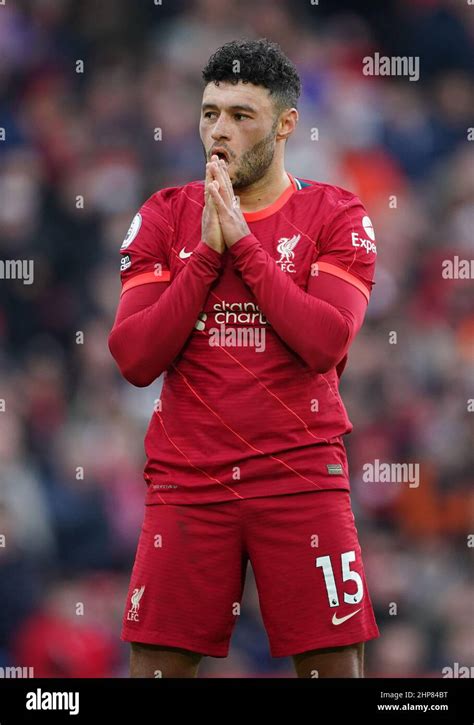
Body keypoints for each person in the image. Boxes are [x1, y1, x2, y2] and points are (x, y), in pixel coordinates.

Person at [108, 38, 380, 678]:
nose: (218, 132)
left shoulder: (336, 213)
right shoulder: (164, 215)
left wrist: (245, 251)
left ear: (286, 124)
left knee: (334, 666)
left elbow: (326, 342)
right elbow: (134, 357)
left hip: (301, 474)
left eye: (240, 115)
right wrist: (205, 258)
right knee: (154, 666)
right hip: (188, 478)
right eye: (209, 113)